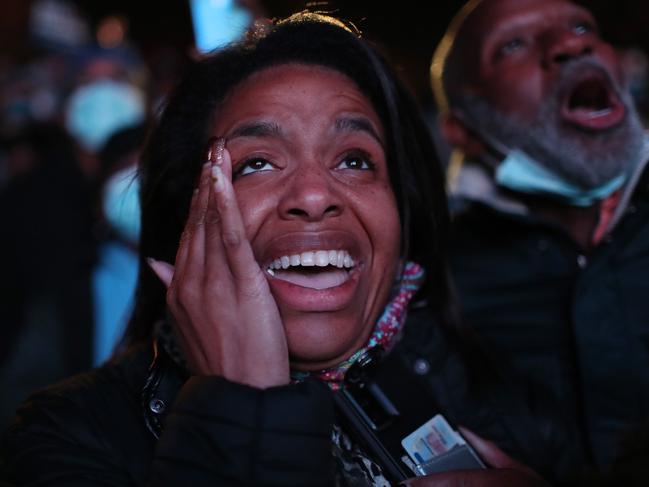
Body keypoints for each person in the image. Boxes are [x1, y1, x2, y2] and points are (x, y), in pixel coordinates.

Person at [2, 13, 549, 486]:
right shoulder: (70, 434)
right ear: (185, 217)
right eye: (256, 163)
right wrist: (239, 409)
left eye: (354, 159)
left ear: (403, 214)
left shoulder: (497, 391)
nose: (314, 196)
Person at [432, 0, 649, 483]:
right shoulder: (438, 283)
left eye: (581, 25)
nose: (572, 44)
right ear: (464, 129)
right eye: (512, 45)